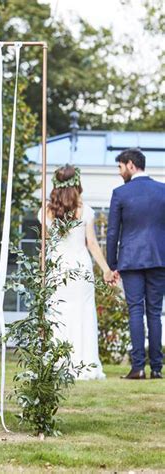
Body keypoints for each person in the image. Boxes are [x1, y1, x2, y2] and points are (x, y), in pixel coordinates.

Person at [38, 164, 110, 380]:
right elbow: (93, 244)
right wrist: (106, 269)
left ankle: (58, 363)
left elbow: (46, 246)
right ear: (77, 183)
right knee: (83, 314)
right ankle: (84, 363)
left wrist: (41, 273)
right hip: (80, 269)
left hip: (57, 268)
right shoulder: (85, 210)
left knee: (57, 313)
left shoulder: (46, 212)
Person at [107, 148, 165, 380]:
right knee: (155, 312)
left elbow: (112, 233)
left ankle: (138, 367)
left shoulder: (120, 193)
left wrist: (112, 264)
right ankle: (158, 369)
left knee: (136, 310)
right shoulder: (163, 191)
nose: (120, 173)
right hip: (160, 259)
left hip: (130, 260)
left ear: (130, 165)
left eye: (120, 167)